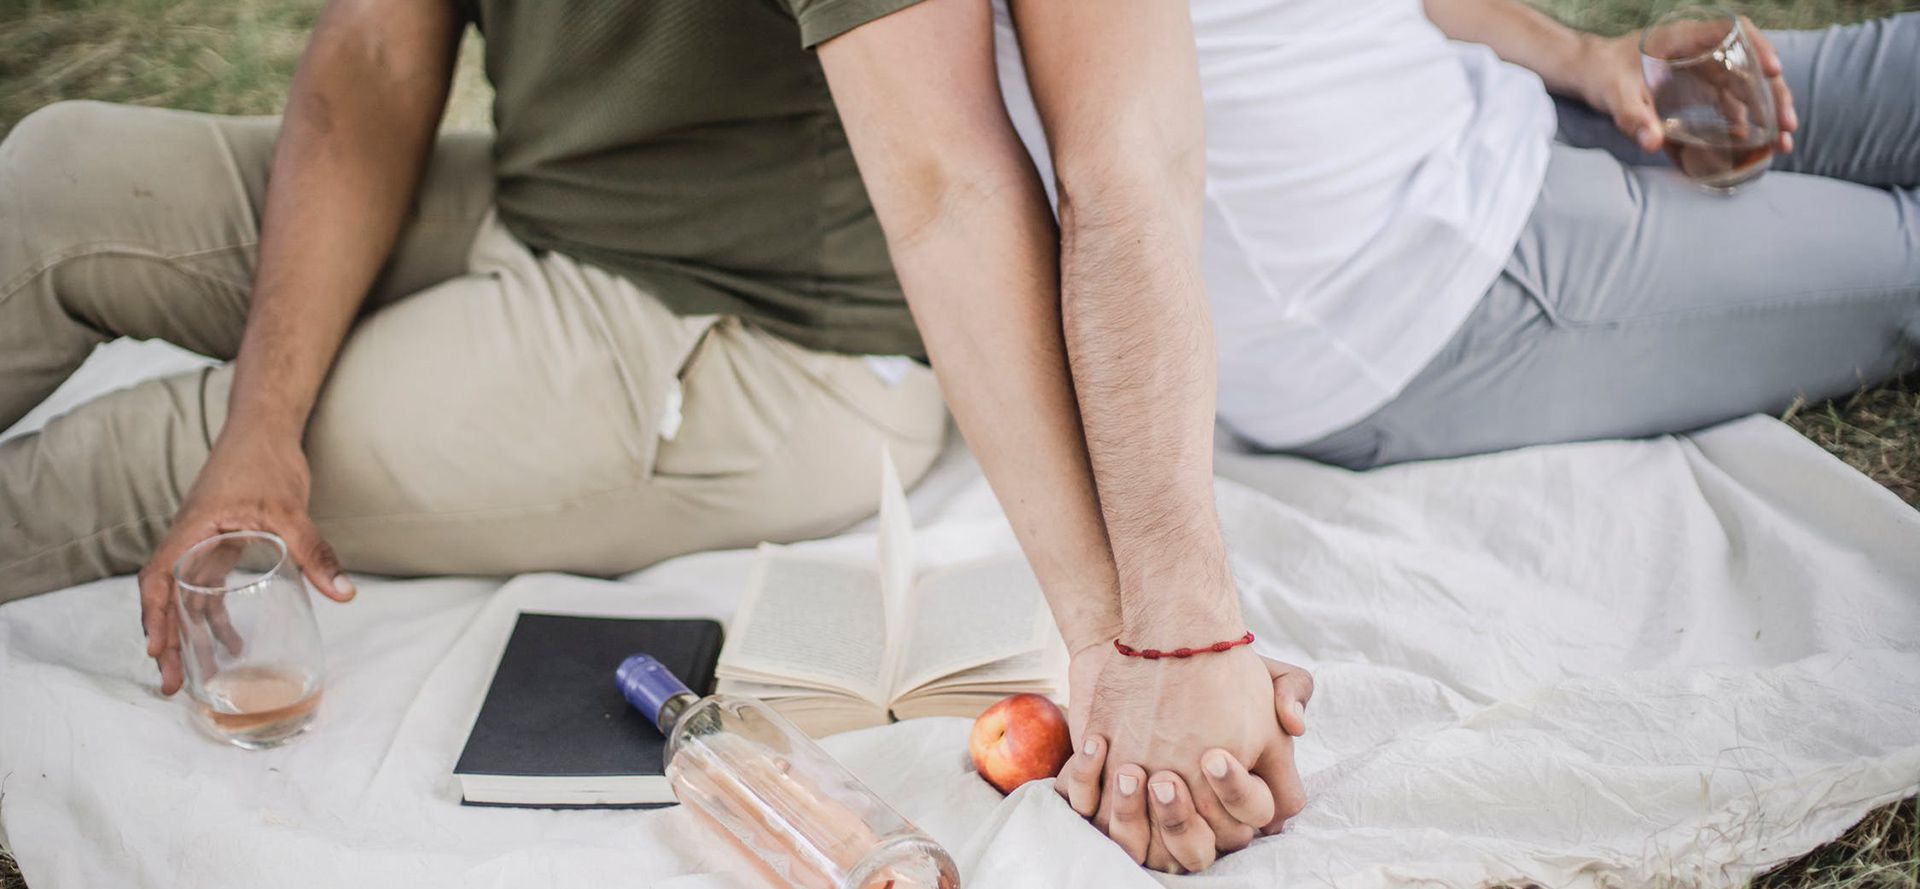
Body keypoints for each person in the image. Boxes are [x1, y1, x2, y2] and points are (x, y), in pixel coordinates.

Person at [0, 0, 1308, 873]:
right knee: (56, 175)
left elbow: (964, 183)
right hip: (539, 205)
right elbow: (374, 59)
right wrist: (265, 417)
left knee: (143, 458)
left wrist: (1145, 635)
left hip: (770, 338)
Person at [1035, 0, 1920, 870]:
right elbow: (1111, 172)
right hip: (1416, 287)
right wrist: (1170, 634)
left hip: (1505, 107)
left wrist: (1578, 55)